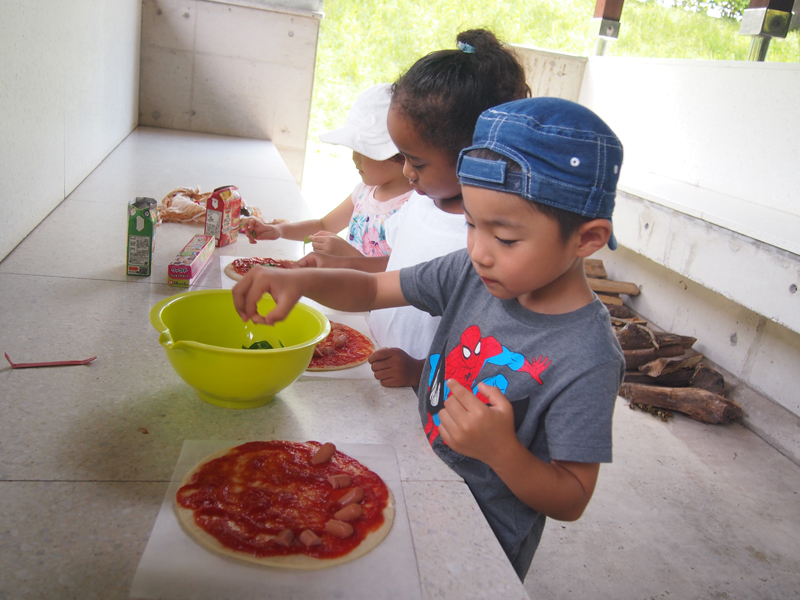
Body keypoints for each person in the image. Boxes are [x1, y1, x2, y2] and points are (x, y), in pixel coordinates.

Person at [231, 97, 626, 580]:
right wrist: (304, 280)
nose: (479, 252)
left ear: (586, 239)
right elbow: (376, 286)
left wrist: (501, 451)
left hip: (484, 532)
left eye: (504, 239)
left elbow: (572, 497)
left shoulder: (586, 356)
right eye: (471, 225)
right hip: (416, 476)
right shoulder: (471, 272)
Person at [297, 29, 530, 388]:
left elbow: (494, 343)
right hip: (375, 354)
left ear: (474, 153)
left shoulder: (484, 240)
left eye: (417, 163)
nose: (405, 172)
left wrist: (422, 370)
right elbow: (398, 271)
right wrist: (340, 267)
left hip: (428, 388)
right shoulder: (420, 203)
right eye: (401, 157)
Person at [239, 83, 412, 257]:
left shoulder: (411, 208)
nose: (354, 158)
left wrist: (350, 256)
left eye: (363, 151)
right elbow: (323, 225)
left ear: (399, 156)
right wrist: (278, 230)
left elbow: (401, 273)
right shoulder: (365, 192)